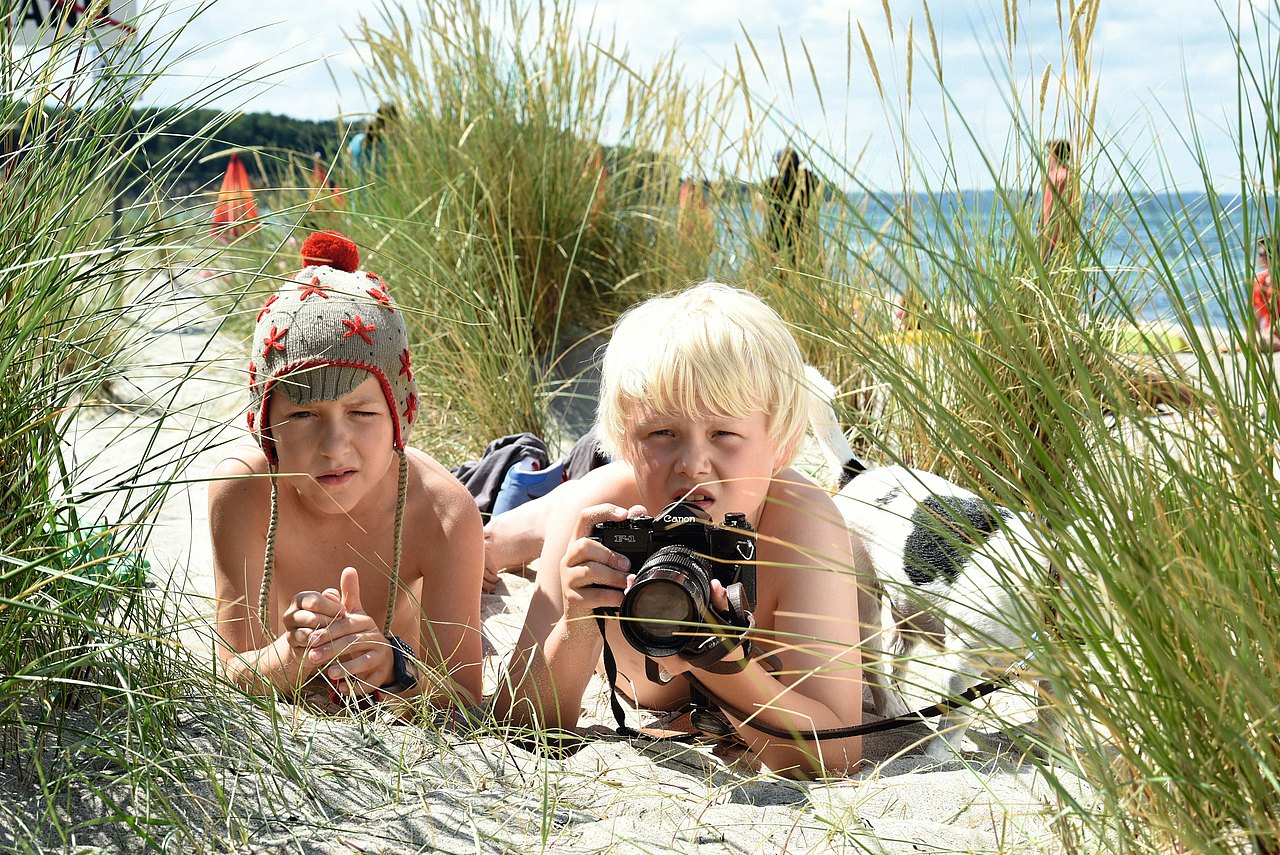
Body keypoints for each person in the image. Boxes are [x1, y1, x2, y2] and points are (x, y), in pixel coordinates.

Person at [495, 282, 864, 779]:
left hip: (809, 535)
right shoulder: (600, 512)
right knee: (502, 539)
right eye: (662, 433)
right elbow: (519, 725)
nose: (692, 465)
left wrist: (715, 653)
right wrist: (577, 620)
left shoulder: (800, 527)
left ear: (780, 443)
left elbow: (836, 754)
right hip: (599, 489)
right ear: (626, 440)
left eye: (724, 434)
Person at [210, 230, 483, 710]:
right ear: (264, 425)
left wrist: (395, 670)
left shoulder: (444, 513)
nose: (335, 448)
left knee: (493, 543)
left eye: (362, 413)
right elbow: (232, 670)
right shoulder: (241, 491)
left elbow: (466, 701)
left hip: (406, 647)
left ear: (401, 415)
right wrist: (290, 657)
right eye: (302, 415)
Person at [763, 147, 818, 264]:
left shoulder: (772, 183)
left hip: (775, 242)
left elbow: (760, 204)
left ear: (780, 163)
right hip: (799, 241)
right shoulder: (806, 182)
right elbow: (815, 181)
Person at [1040, 139, 1073, 251]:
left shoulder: (1061, 176)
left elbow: (1059, 210)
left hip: (1055, 238)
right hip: (1055, 236)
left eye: (1048, 155)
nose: (1047, 159)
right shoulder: (1058, 175)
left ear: (1054, 156)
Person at [1250, 238, 1280, 352]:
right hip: (1271, 334)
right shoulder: (1259, 280)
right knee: (1263, 342)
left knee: (1264, 342)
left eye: (1261, 254)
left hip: (1273, 332)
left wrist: (1270, 331)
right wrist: (1248, 341)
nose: (1258, 257)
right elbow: (1257, 315)